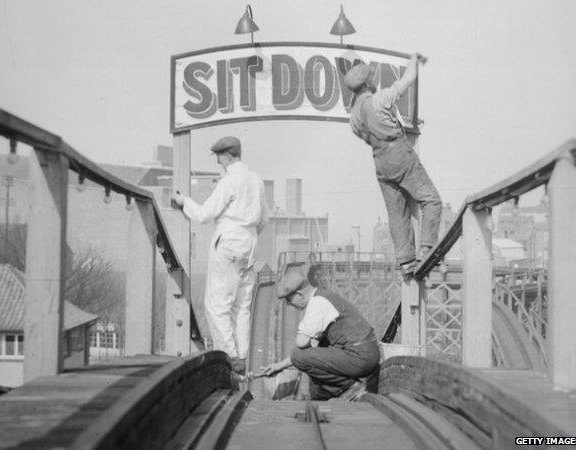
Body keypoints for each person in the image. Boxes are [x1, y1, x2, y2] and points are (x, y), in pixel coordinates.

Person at [171, 136, 269, 374]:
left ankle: (230, 358)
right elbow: (264, 219)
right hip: (250, 244)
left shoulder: (229, 181)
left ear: (226, 156)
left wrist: (184, 202)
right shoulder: (256, 180)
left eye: (218, 157)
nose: (218, 162)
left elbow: (205, 214)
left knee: (216, 305)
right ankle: (242, 357)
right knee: (241, 306)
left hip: (227, 242)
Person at [344, 54, 442, 275]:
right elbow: (406, 81)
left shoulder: (353, 116)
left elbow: (365, 134)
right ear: (368, 83)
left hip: (380, 163)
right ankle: (427, 249)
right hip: (400, 155)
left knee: (397, 213)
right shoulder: (380, 99)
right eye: (372, 78)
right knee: (431, 200)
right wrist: (414, 62)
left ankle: (406, 262)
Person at [262, 268, 380, 401]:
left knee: (300, 354)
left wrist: (309, 345)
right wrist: (279, 366)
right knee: (311, 352)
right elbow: (311, 351)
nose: (289, 304)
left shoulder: (317, 302)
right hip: (364, 354)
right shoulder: (323, 296)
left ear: (300, 294)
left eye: (289, 300)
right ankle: (327, 397)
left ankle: (352, 388)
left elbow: (301, 343)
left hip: (360, 356)